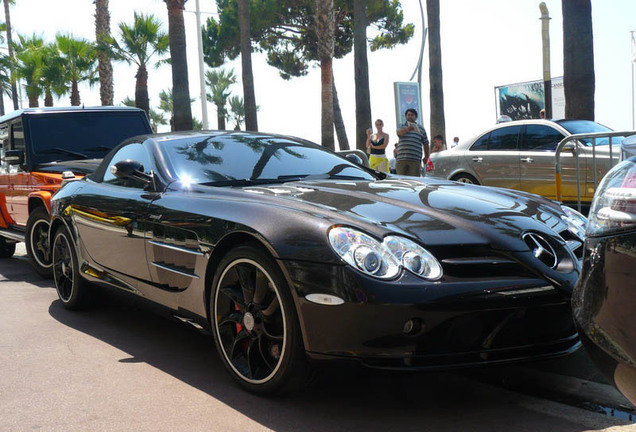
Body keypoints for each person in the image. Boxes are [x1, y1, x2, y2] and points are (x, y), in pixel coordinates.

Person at [396, 108, 429, 177]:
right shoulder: (401, 126)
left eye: (412, 115)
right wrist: (408, 129)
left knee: (414, 181)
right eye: (408, 115)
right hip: (402, 159)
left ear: (415, 117)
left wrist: (426, 156)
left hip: (415, 159)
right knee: (401, 180)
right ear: (406, 117)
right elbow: (399, 133)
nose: (410, 116)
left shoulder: (421, 129)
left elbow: (426, 143)